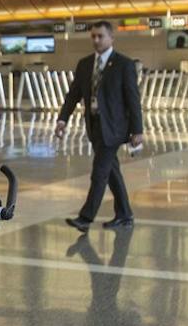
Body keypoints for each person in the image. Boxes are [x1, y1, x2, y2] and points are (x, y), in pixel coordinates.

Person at [54, 20, 144, 231]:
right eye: (93, 36)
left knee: (100, 173)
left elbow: (133, 99)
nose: (96, 40)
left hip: (114, 128)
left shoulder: (124, 64)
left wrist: (137, 130)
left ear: (111, 38)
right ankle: (125, 214)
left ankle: (85, 218)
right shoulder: (85, 64)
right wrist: (62, 119)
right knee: (112, 172)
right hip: (94, 126)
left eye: (100, 36)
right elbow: (74, 94)